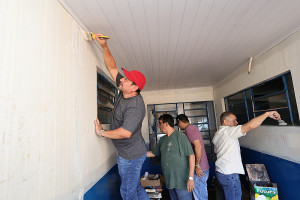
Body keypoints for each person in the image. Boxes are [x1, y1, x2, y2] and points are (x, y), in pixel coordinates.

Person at [94, 34, 149, 200]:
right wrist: (104, 46)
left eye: (126, 79)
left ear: (134, 87)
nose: (122, 78)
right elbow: (112, 67)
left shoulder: (135, 106)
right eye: (124, 77)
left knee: (127, 192)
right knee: (135, 187)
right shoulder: (124, 88)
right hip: (126, 153)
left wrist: (102, 132)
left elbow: (125, 132)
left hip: (131, 156)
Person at [213, 111, 281, 200]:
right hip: (229, 174)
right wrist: (267, 114)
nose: (237, 123)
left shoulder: (217, 134)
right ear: (225, 122)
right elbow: (250, 126)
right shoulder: (228, 132)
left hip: (222, 172)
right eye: (234, 121)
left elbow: (216, 152)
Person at [147, 114, 195, 200]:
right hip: (169, 180)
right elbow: (153, 153)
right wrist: (137, 154)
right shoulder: (163, 139)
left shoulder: (180, 136)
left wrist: (191, 178)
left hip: (181, 180)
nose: (158, 125)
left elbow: (191, 156)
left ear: (166, 124)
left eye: (160, 123)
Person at [176, 114, 210, 200]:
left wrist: (197, 165)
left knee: (200, 196)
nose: (179, 127)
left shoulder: (189, 129)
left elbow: (198, 146)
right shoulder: (193, 128)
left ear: (180, 122)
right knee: (200, 194)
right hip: (202, 167)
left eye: (178, 124)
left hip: (199, 169)